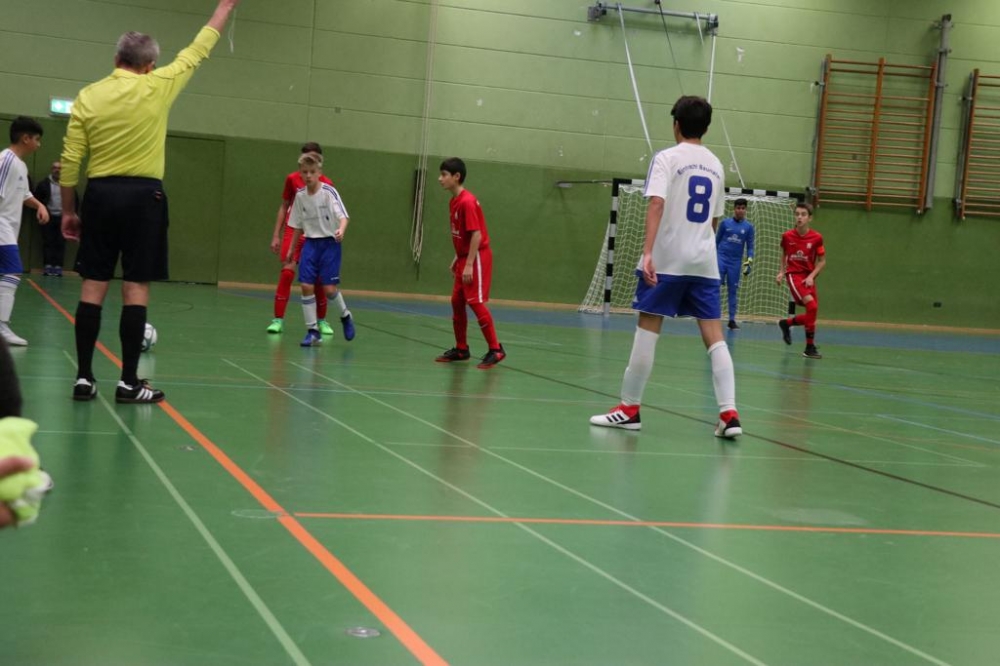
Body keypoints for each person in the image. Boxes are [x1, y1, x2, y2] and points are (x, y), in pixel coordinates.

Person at [60, 0, 241, 403]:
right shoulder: (160, 84)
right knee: (136, 286)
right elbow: (199, 47)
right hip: (144, 199)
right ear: (149, 66)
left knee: (93, 285)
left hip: (100, 197)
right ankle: (128, 383)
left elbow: (71, 161)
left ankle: (84, 379)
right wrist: (225, 6)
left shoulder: (89, 96)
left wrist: (69, 210)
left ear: (116, 59)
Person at [590, 96, 742, 438]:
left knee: (648, 327)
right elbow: (714, 219)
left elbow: (657, 203)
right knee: (714, 336)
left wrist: (648, 252)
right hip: (704, 262)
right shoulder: (717, 165)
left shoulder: (666, 158)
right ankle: (729, 414)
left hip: (668, 260)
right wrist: (699, 247)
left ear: (676, 124)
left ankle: (629, 409)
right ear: (706, 127)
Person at [434, 157, 505, 369]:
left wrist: (468, 264)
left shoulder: (467, 201)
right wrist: (458, 258)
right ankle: (461, 348)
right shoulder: (454, 201)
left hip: (478, 257)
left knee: (475, 302)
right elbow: (463, 235)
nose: (440, 179)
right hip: (465, 256)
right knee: (457, 301)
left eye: (444, 175)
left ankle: (496, 349)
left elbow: (476, 235)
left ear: (456, 177)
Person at [284, 152, 355, 347]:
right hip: (310, 244)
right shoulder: (300, 197)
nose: (308, 175)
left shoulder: (329, 192)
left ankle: (345, 315)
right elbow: (297, 225)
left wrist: (341, 230)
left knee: (329, 289)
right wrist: (291, 249)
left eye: (312, 172)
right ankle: (313, 331)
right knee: (306, 286)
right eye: (305, 172)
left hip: (330, 244)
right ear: (300, 173)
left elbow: (344, 217)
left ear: (319, 173)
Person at [267, 142, 336, 336]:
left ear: (320, 163)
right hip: (294, 230)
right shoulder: (292, 180)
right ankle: (277, 320)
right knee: (287, 272)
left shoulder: (327, 184)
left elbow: (331, 213)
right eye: (306, 159)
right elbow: (284, 206)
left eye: (313, 159)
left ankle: (321, 321)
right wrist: (276, 234)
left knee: (319, 278)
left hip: (316, 234)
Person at [0, 117, 50, 347]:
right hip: (1, 226)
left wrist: (39, 205)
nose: (39, 144)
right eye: (37, 139)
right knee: (12, 270)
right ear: (25, 138)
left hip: (9, 229)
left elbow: (24, 194)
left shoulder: (20, 165)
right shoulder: (6, 161)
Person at [776, 202, 826, 359]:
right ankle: (809, 347)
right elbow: (784, 254)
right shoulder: (787, 236)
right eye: (797, 214)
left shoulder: (817, 238)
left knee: (813, 312)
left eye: (803, 214)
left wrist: (811, 276)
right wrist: (781, 271)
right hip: (794, 275)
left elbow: (822, 261)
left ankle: (787, 324)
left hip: (808, 276)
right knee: (812, 306)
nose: (799, 217)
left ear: (809, 218)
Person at [715, 197, 755, 329]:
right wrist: (712, 258)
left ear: (746, 210)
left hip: (735, 263)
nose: (740, 210)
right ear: (734, 209)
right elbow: (716, 242)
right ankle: (713, 316)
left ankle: (731, 320)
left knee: (733, 290)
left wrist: (749, 261)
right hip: (721, 258)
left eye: (743, 208)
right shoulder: (725, 223)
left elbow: (750, 246)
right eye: (738, 208)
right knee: (715, 287)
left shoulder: (748, 227)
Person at [32, 161, 74, 277]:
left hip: (62, 218)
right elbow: (36, 200)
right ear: (51, 169)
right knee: (48, 242)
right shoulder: (43, 184)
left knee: (61, 243)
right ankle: (48, 266)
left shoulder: (67, 185)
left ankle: (58, 267)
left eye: (60, 168)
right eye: (55, 168)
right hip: (48, 218)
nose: (57, 170)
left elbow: (74, 199)